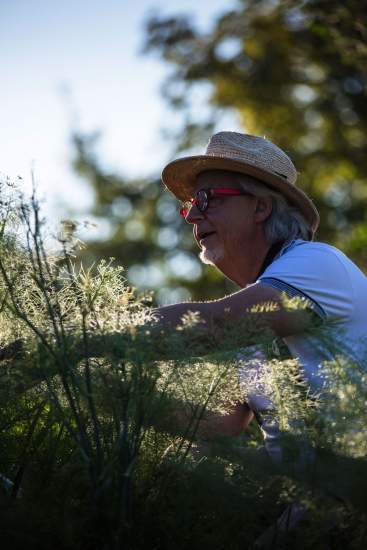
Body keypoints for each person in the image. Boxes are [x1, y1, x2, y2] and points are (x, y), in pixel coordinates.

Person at [153, 130, 367, 448]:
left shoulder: (315, 262)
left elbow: (216, 323)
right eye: (190, 205)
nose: (193, 216)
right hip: (314, 497)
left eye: (207, 199)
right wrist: (114, 394)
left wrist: (94, 332)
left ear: (261, 208)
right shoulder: (260, 305)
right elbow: (223, 424)